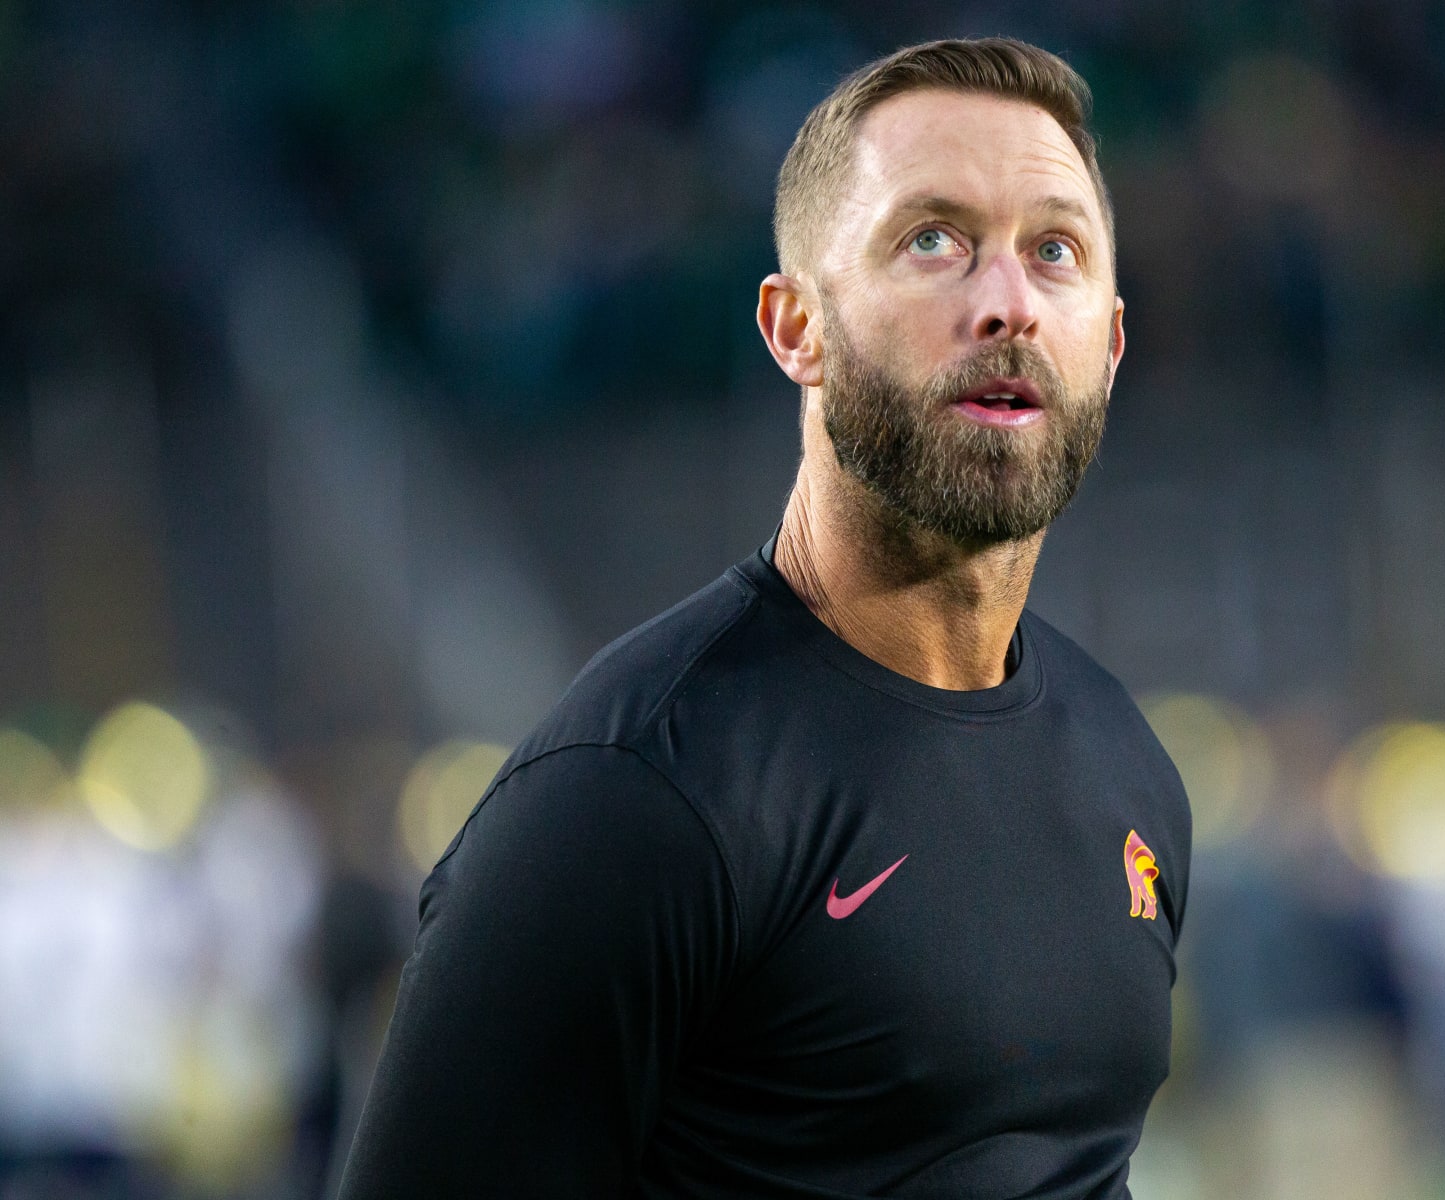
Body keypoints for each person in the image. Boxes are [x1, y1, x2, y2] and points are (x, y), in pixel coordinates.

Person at [338, 37, 1190, 1199]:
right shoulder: (635, 797)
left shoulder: (1125, 768)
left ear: (1112, 344)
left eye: (1055, 252)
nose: (1007, 306)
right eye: (932, 241)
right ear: (797, 328)